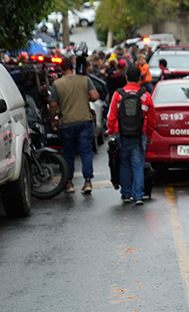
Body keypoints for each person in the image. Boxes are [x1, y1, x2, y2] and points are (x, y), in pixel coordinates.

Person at [48, 57, 100, 194]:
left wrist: (52, 120)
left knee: (69, 154)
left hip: (67, 123)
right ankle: (88, 181)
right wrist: (84, 97)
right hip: (84, 121)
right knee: (86, 152)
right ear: (72, 66)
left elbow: (53, 104)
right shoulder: (84, 80)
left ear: (61, 69)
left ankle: (69, 183)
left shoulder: (57, 84)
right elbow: (95, 96)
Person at [106, 66, 156, 205]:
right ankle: (138, 196)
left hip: (121, 134)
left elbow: (111, 117)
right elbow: (152, 119)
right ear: (139, 78)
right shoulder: (145, 95)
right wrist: (149, 135)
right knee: (138, 166)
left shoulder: (118, 94)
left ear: (126, 78)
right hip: (140, 135)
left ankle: (126, 194)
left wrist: (111, 132)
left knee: (124, 165)